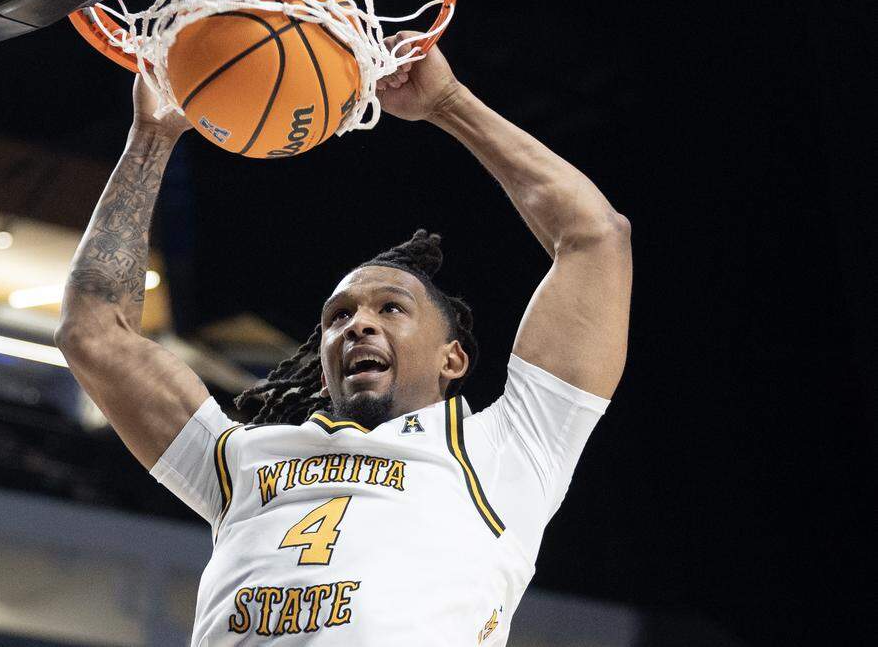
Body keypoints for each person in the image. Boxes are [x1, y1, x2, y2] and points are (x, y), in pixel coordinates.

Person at [55, 35, 632, 645]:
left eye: (391, 308)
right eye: (337, 316)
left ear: (452, 358)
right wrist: (153, 134)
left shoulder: (511, 452)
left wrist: (449, 103)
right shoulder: (238, 461)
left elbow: (594, 237)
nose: (357, 324)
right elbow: (94, 334)